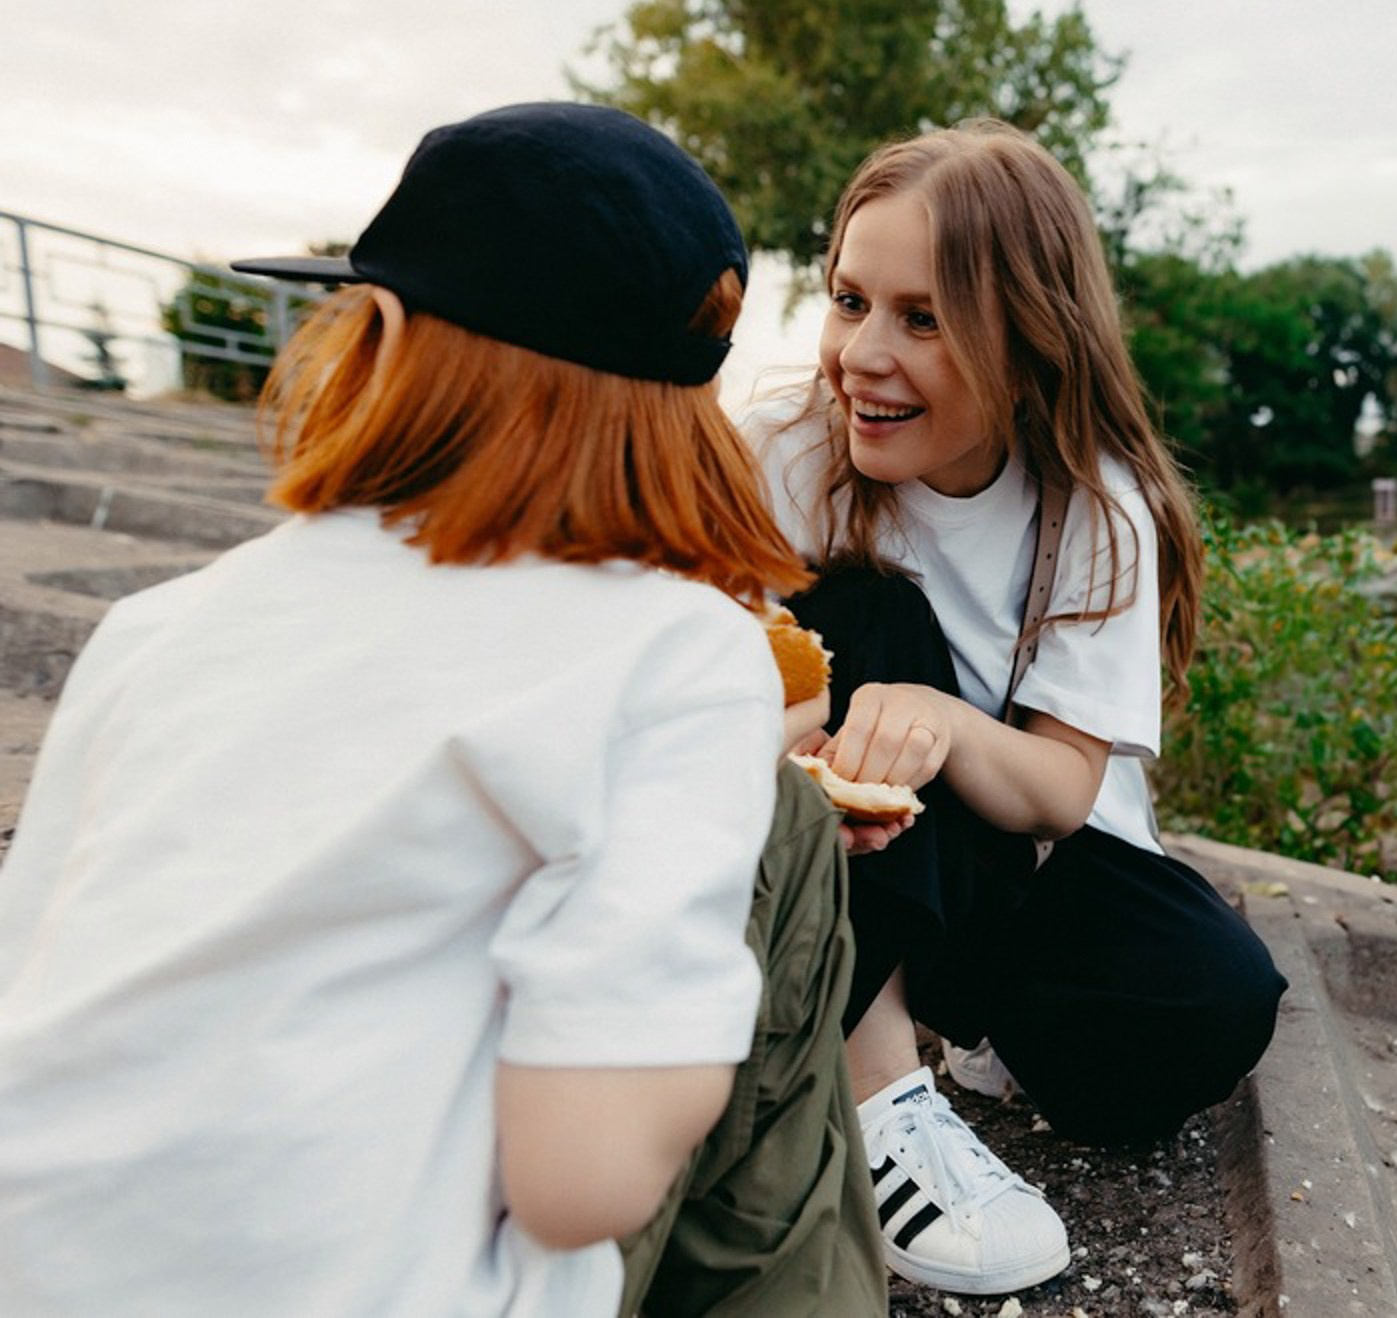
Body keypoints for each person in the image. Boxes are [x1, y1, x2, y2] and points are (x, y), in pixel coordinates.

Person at [0, 102, 885, 1318]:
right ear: (677, 410)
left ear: (381, 337)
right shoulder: (678, 653)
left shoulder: (150, 630)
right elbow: (581, 1176)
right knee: (781, 842)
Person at [748, 119, 1289, 1297]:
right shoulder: (781, 455)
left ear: (1030, 339)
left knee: (1213, 997)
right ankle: (878, 1096)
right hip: (818, 848)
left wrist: (935, 726)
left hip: (1010, 855)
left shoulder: (1096, 508)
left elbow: (1058, 788)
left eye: (923, 318)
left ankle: (952, 1021)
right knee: (867, 616)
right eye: (849, 301)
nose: (862, 355)